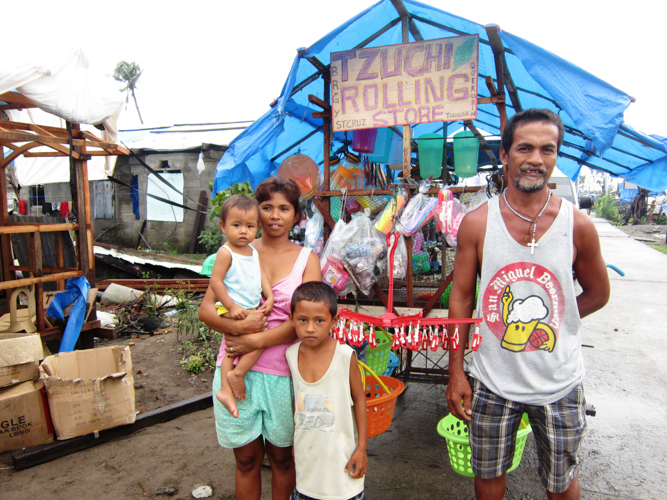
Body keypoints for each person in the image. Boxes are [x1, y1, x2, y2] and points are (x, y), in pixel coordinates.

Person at [445, 109, 610, 500]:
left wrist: (554, 322)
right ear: (504, 155)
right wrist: (456, 372)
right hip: (492, 378)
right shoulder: (478, 223)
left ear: (555, 156)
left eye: (547, 149)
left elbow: (598, 293)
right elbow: (461, 297)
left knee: (561, 479)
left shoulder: (578, 225)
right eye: (525, 148)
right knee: (487, 475)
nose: (537, 158)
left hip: (559, 380)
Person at [199, 177, 321, 500]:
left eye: (284, 208)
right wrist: (240, 329)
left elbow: (307, 324)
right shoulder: (236, 253)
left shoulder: (307, 260)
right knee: (247, 459)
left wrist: (256, 340)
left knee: (282, 458)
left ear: (296, 215)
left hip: (283, 375)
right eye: (267, 207)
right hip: (235, 370)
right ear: (256, 211)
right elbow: (207, 311)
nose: (275, 215)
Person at [286, 281, 367, 500]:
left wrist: (361, 448)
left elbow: (360, 400)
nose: (310, 328)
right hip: (307, 468)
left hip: (342, 467)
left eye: (319, 321)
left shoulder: (344, 355)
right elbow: (298, 401)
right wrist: (296, 441)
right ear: (291, 319)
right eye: (302, 320)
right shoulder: (291, 355)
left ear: (334, 321)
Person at [209, 194, 274, 418]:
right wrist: (231, 306)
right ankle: (234, 379)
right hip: (232, 309)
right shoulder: (226, 253)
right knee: (241, 344)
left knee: (244, 345)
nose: (243, 231)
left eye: (249, 226)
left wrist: (270, 296)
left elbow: (262, 276)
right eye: (236, 225)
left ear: (257, 227)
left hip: (250, 308)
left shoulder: (253, 252)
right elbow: (215, 281)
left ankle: (228, 387)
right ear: (223, 227)